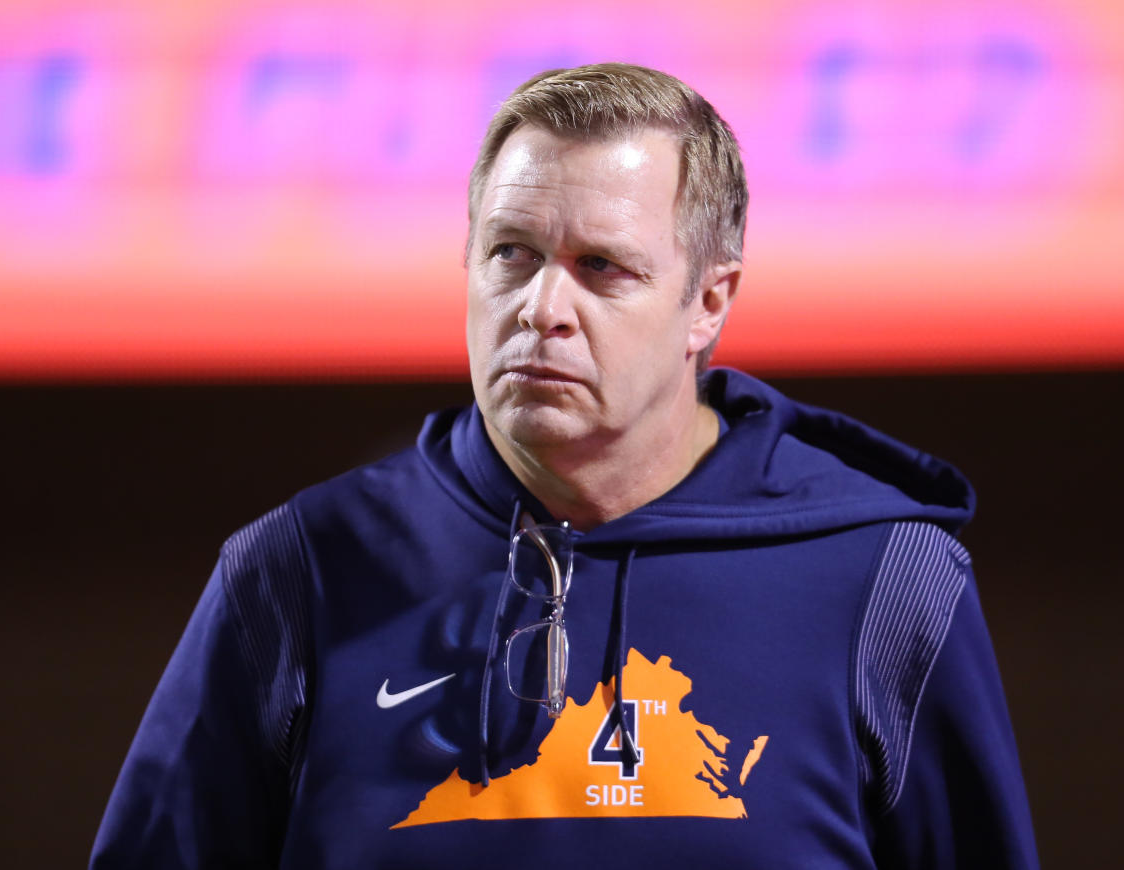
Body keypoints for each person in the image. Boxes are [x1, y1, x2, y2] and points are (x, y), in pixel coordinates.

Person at [91, 63, 1039, 868]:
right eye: (512, 254)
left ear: (709, 301)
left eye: (602, 267)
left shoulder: (884, 580)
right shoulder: (296, 571)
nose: (543, 306)